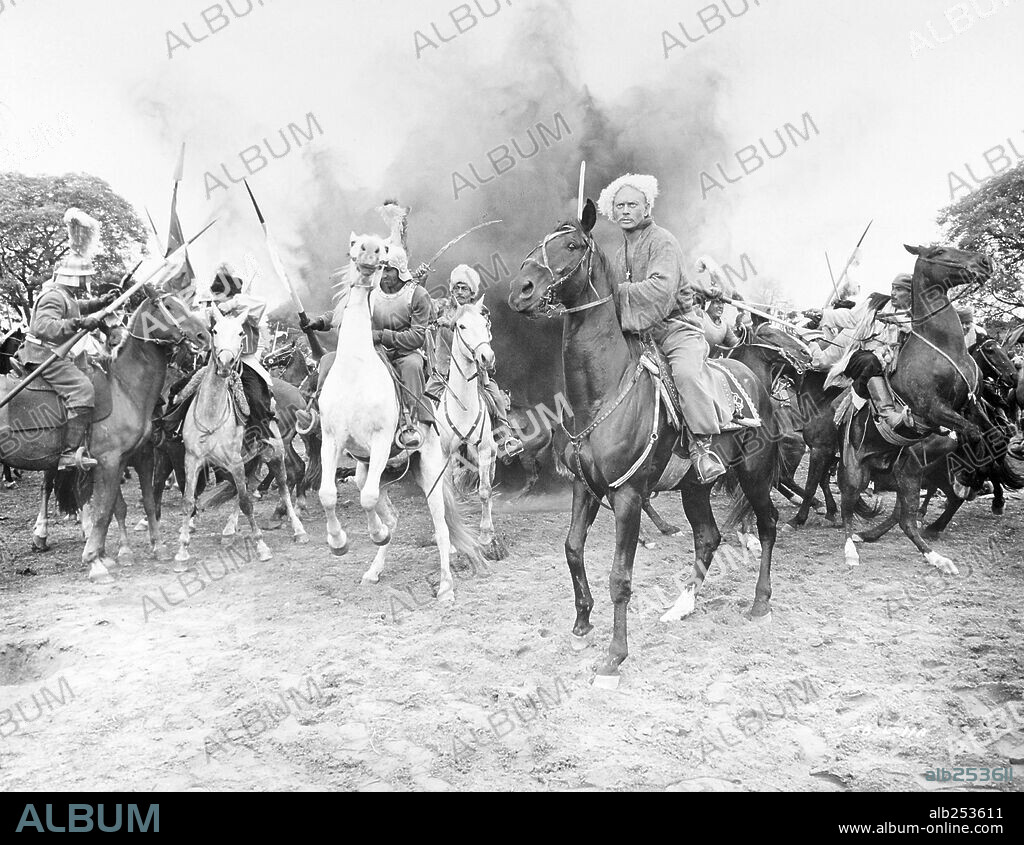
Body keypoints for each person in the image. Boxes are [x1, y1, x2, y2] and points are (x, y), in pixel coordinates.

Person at [597, 173, 754, 483]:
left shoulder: (663, 241)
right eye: (620, 206)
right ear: (612, 212)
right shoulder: (618, 253)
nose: (626, 210)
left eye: (633, 204)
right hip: (638, 334)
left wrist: (615, 294)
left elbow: (659, 290)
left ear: (646, 208)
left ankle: (701, 446)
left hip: (677, 330)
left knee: (685, 373)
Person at [303, 244, 433, 450]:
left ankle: (409, 424)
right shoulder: (370, 289)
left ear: (400, 271)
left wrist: (382, 336)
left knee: (413, 366)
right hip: (369, 350)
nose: (384, 274)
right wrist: (320, 322)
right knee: (328, 360)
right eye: (381, 269)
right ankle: (319, 413)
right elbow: (345, 311)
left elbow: (417, 336)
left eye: (388, 269)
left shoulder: (418, 295)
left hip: (403, 352)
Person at [18, 208, 117, 469]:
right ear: (75, 276)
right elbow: (43, 326)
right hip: (44, 355)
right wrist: (81, 323)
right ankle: (68, 453)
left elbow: (76, 306)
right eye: (84, 277)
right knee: (83, 391)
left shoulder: (65, 294)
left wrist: (99, 303)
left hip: (52, 352)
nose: (84, 282)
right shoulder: (53, 295)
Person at [164, 267, 276, 455]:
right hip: (213, 365)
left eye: (218, 295)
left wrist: (232, 304)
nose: (214, 299)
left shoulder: (248, 311)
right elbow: (188, 320)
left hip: (244, 364)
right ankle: (174, 430)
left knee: (256, 400)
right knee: (178, 389)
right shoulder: (211, 314)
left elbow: (261, 303)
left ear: (229, 296)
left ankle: (261, 439)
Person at [422, 264, 523, 458]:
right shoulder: (441, 306)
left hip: (472, 372)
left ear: (472, 292)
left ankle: (505, 437)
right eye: (456, 287)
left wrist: (450, 324)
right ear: (451, 289)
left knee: (495, 396)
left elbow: (480, 336)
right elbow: (421, 303)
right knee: (423, 402)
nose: (460, 292)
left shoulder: (480, 312)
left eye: (464, 288)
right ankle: (420, 443)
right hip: (443, 371)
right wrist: (422, 280)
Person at [824, 274, 913, 428]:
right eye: (893, 288)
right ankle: (888, 414)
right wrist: (824, 315)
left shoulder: (917, 316)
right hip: (862, 357)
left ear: (911, 294)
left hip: (896, 365)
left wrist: (903, 326)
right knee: (872, 362)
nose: (893, 293)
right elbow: (850, 317)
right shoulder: (876, 303)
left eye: (898, 289)